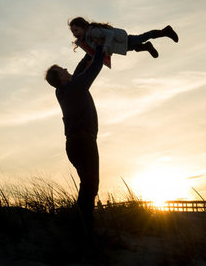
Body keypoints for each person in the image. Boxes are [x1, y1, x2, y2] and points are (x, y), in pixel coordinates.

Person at [45, 45, 105, 234]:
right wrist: (101, 48)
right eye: (62, 69)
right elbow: (94, 67)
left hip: (75, 143)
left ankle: (83, 222)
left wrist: (89, 50)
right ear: (61, 77)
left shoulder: (62, 90)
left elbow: (80, 69)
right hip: (84, 142)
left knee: (87, 184)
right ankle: (85, 226)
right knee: (90, 184)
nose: (66, 68)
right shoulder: (76, 87)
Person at [69, 16, 178, 68]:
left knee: (142, 37)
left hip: (122, 39)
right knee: (133, 47)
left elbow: (109, 34)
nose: (75, 33)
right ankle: (147, 47)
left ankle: (165, 31)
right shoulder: (86, 39)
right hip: (120, 45)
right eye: (73, 31)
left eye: (76, 30)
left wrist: (105, 47)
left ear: (83, 27)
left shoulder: (93, 32)